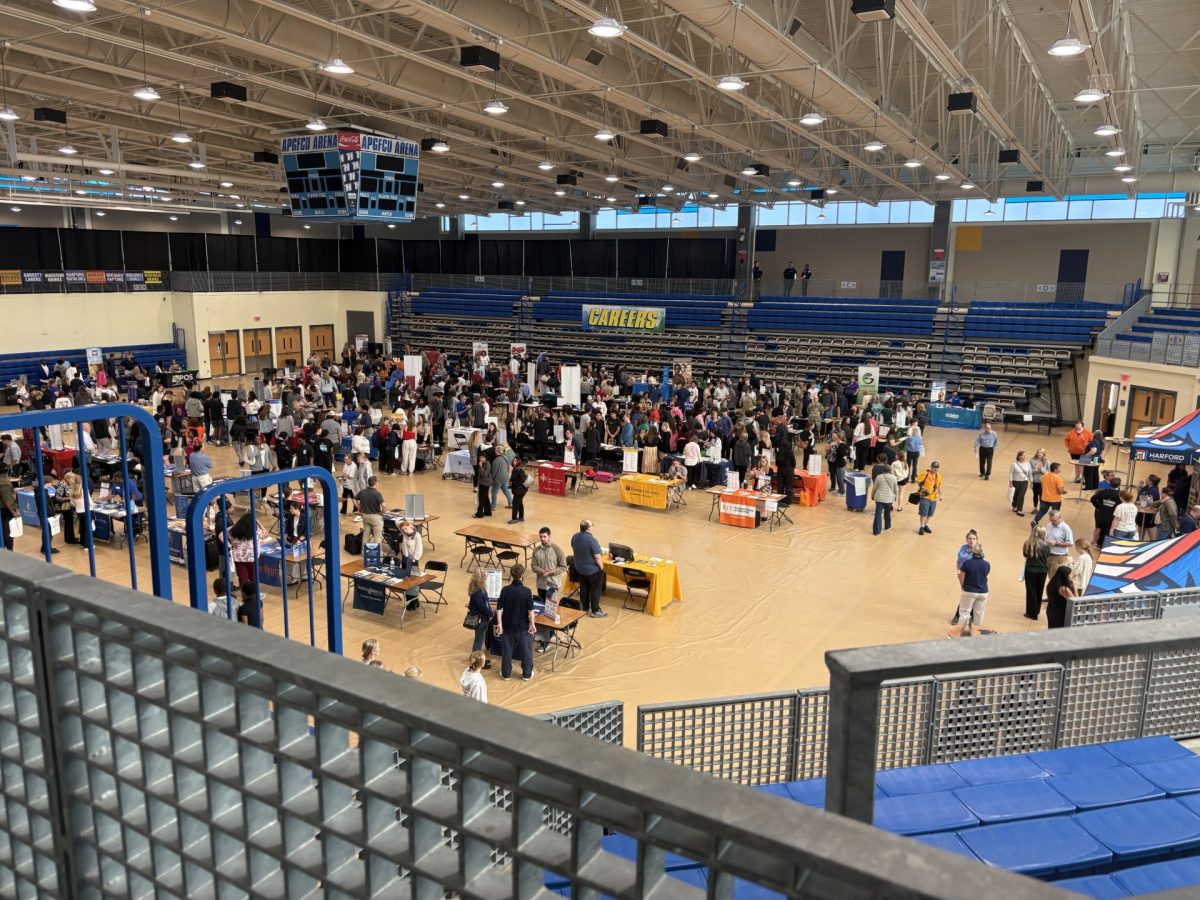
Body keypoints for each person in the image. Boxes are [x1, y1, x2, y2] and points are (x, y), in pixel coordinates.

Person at [494, 563, 536, 681]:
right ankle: (527, 674)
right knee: (526, 652)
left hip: (507, 627)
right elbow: (531, 610)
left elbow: (499, 609)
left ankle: (506, 674)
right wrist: (532, 624)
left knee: (507, 652)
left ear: (512, 575)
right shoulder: (527, 591)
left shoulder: (505, 590)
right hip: (523, 628)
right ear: (522, 575)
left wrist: (500, 625)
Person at [570, 519, 606, 618]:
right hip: (592, 571)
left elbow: (574, 548)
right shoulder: (592, 540)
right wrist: (601, 568)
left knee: (584, 588)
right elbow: (598, 557)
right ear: (589, 528)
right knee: (595, 590)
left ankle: (584, 607)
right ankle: (595, 610)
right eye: (592, 525)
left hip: (580, 569)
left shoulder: (575, 536)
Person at [957, 545, 991, 636]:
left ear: (973, 552)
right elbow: (985, 575)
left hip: (969, 590)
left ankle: (964, 634)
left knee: (964, 612)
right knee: (979, 614)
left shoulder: (967, 563)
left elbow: (962, 577)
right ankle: (977, 635)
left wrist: (963, 587)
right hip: (983, 592)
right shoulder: (987, 564)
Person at [465, 569, 495, 661]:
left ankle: (476, 659)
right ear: (481, 579)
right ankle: (475, 660)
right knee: (479, 640)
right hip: (481, 620)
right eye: (485, 577)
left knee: (479, 639)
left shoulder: (476, 589)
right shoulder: (478, 592)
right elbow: (482, 606)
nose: (486, 579)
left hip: (481, 618)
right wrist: (491, 613)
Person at [531, 526, 567, 600]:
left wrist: (553, 572)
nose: (542, 539)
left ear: (549, 536)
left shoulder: (557, 550)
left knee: (550, 608)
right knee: (541, 605)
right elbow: (533, 565)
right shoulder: (536, 550)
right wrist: (542, 571)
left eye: (544, 536)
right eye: (541, 537)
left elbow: (563, 566)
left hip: (553, 584)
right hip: (541, 584)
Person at [1023, 526, 1050, 621]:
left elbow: (1025, 555)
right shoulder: (1047, 546)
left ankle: (1031, 613)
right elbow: (1047, 556)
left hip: (1030, 570)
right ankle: (1037, 610)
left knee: (1031, 592)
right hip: (1042, 571)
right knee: (1039, 591)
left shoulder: (1028, 543)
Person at [1090, 475, 1121, 547]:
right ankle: (1106, 545)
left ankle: (1099, 544)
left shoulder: (1103, 492)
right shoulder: (1119, 495)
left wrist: (1098, 506)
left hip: (1102, 515)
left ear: (1110, 484)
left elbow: (1093, 499)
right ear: (1119, 485)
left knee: (1102, 530)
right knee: (1109, 531)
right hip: (1112, 516)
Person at [355, 475, 386, 547]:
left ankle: (364, 552)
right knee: (377, 536)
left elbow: (354, 500)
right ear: (375, 483)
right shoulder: (377, 493)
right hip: (375, 516)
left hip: (365, 516)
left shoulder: (362, 491)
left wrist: (359, 508)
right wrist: (382, 513)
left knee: (366, 535)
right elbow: (384, 505)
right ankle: (378, 554)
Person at [1044, 508, 1074, 581]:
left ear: (1060, 518)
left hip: (1059, 557)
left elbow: (1070, 543)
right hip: (1048, 555)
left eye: (1054, 520)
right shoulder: (1049, 525)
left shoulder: (1066, 528)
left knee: (1055, 579)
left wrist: (1056, 543)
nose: (1052, 522)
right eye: (1050, 520)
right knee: (1050, 576)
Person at [870, 461, 898, 536]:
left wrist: (872, 495)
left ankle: (877, 532)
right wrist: (895, 497)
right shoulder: (894, 478)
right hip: (889, 499)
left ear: (883, 470)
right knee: (887, 513)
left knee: (878, 514)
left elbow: (874, 488)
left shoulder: (878, 477)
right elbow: (896, 489)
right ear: (890, 471)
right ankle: (887, 526)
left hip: (879, 498)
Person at [915, 461, 941, 535]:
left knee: (930, 513)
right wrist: (922, 488)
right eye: (934, 467)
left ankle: (926, 525)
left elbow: (938, 486)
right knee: (924, 513)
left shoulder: (938, 476)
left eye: (937, 468)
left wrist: (940, 495)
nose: (935, 469)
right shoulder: (925, 473)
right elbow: (918, 481)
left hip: (934, 498)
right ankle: (922, 526)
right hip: (925, 497)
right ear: (931, 467)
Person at [1136, 475, 1162, 540]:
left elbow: (1150, 503)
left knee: (1150, 529)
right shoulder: (1146, 487)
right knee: (1141, 526)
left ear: (1151, 481)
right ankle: (1140, 541)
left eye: (1147, 478)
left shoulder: (1153, 490)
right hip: (1142, 511)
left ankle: (1152, 545)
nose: (1145, 479)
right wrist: (1139, 488)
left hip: (1148, 514)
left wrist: (1139, 501)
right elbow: (1141, 496)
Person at [1009, 450, 1032, 516]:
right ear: (1019, 456)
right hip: (1016, 481)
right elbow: (1011, 473)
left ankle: (1019, 510)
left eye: (1024, 455)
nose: (1024, 456)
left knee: (1021, 495)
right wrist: (1010, 482)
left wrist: (1031, 482)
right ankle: (1014, 506)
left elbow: (1030, 473)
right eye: (1022, 455)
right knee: (1015, 495)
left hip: (1024, 482)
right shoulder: (1014, 464)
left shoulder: (1027, 464)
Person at [508, 457, 529, 524]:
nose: (514, 462)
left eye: (515, 461)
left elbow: (522, 480)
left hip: (520, 490)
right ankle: (521, 517)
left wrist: (513, 483)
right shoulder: (515, 469)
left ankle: (514, 518)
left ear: (518, 462)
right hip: (518, 490)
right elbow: (513, 478)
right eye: (513, 460)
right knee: (519, 503)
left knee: (515, 503)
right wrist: (510, 484)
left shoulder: (520, 470)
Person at [473, 452, 493, 518]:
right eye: (480, 458)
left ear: (485, 458)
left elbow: (484, 475)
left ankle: (479, 514)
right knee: (486, 497)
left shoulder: (487, 465)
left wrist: (481, 467)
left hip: (485, 483)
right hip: (482, 483)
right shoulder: (482, 463)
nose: (480, 459)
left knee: (481, 499)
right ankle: (488, 512)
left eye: (482, 458)